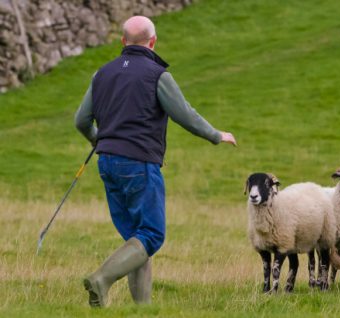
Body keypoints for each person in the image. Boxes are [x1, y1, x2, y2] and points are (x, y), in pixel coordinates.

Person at [74, 15, 236, 307]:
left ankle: (143, 309)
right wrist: (216, 135)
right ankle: (102, 279)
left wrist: (98, 140)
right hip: (139, 164)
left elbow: (81, 120)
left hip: (107, 163)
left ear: (123, 41)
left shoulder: (102, 74)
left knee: (137, 238)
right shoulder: (157, 74)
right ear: (153, 41)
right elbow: (184, 113)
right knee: (151, 234)